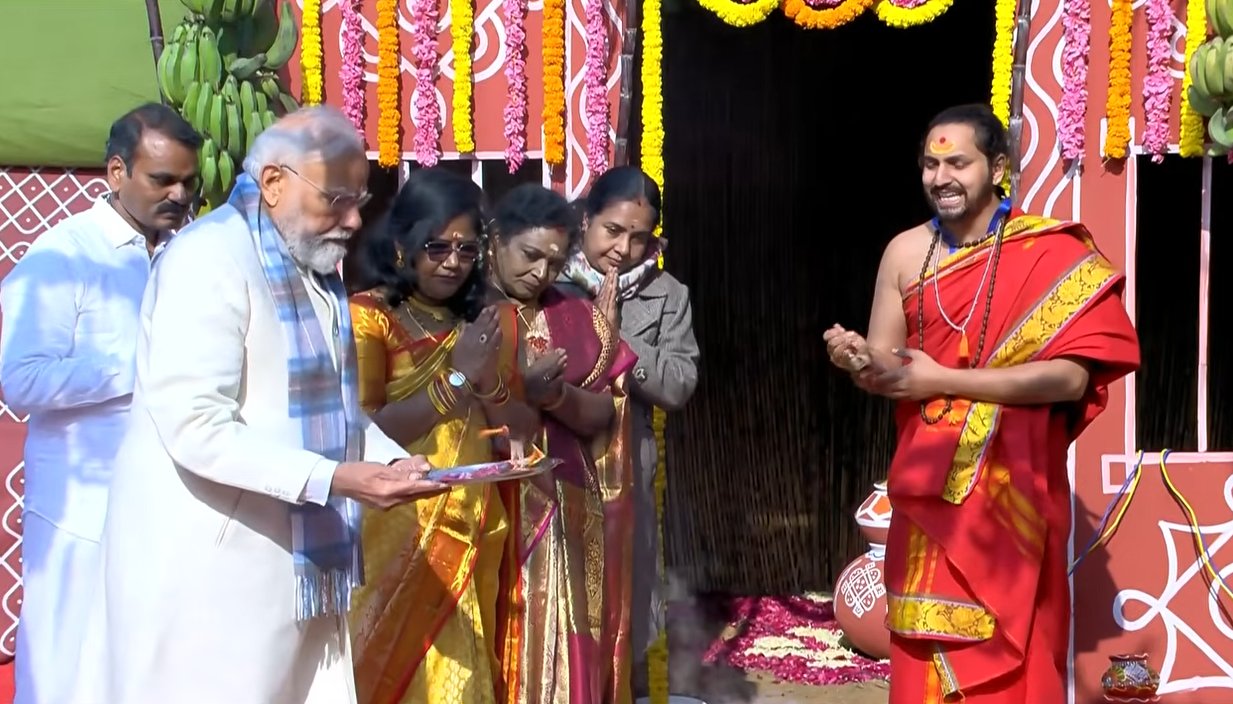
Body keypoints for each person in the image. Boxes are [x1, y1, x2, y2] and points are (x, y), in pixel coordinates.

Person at [69, 106, 446, 704]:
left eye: (359, 201)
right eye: (337, 199)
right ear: (274, 182)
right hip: (210, 569)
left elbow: (333, 407)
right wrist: (332, 478)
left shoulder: (309, 267)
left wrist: (391, 460)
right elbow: (196, 424)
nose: (354, 220)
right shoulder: (209, 258)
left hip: (288, 563)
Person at [824, 104, 1140, 703]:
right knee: (924, 647)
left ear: (996, 169)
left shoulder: (1048, 253)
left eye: (958, 164)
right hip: (927, 492)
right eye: (930, 164)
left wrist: (944, 380)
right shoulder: (904, 252)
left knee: (1017, 660)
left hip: (1014, 495)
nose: (941, 177)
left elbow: (1070, 379)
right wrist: (860, 359)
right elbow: (891, 369)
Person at [0, 103, 201, 704]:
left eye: (188, 182)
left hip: (170, 504)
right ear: (117, 172)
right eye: (162, 179)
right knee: (68, 674)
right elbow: (20, 379)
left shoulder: (188, 256)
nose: (179, 194)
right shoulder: (63, 255)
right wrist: (137, 366)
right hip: (81, 516)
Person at [345, 167, 537, 703]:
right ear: (402, 244)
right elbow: (366, 429)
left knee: (464, 678)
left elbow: (518, 426)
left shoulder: (483, 322)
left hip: (473, 525)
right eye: (437, 247)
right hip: (396, 529)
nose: (453, 262)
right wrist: (457, 380)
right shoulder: (369, 317)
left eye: (467, 249)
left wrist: (490, 385)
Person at [487, 184, 638, 704]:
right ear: (496, 239)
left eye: (554, 262)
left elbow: (603, 414)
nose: (541, 273)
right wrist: (518, 390)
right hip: (482, 503)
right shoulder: (466, 311)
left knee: (562, 641)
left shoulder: (573, 314)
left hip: (562, 505)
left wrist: (554, 396)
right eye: (530, 255)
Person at [557, 165, 699, 688]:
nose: (623, 249)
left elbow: (679, 385)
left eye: (638, 238)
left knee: (628, 604)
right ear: (585, 221)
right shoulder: (549, 282)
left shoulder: (669, 294)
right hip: (555, 465)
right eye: (612, 231)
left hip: (628, 469)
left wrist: (617, 344)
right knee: (559, 599)